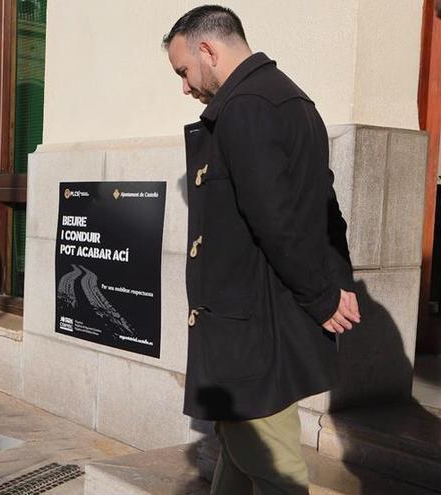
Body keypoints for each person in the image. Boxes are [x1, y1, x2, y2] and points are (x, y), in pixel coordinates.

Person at [163, 5, 361, 494]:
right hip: (260, 323)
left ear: (207, 50)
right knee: (238, 449)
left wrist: (323, 294)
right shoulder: (292, 99)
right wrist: (336, 282)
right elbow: (323, 207)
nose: (185, 87)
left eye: (183, 72)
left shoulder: (246, 107)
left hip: (251, 331)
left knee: (276, 469)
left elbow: (279, 222)